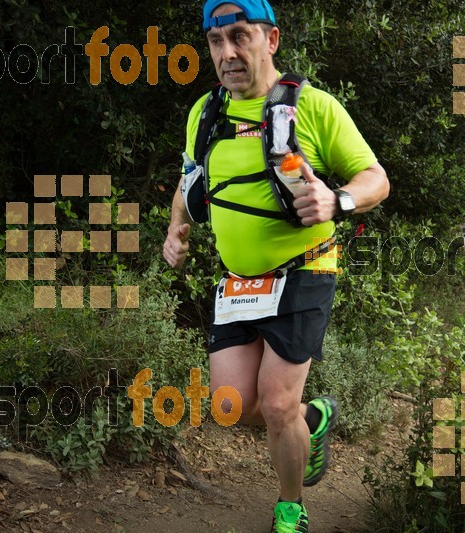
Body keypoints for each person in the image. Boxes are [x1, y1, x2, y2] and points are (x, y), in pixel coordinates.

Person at [162, 1, 390, 530]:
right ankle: (316, 419)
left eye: (239, 37)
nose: (228, 53)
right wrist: (177, 228)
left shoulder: (313, 107)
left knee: (277, 402)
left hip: (304, 270)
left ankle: (290, 505)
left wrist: (339, 202)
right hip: (238, 281)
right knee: (232, 404)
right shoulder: (206, 113)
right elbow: (190, 180)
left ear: (271, 39)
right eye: (217, 43)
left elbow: (375, 177)